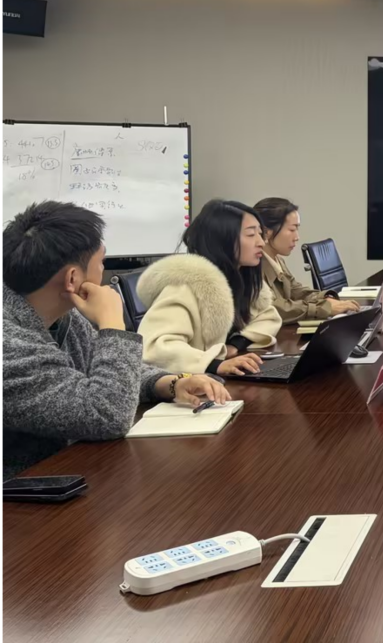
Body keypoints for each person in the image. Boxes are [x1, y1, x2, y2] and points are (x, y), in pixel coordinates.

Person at [3, 201, 231, 479]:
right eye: (101, 262)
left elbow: (108, 372)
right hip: (21, 493)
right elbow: (107, 414)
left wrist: (170, 383)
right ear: (73, 278)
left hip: (64, 472)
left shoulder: (61, 316)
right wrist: (112, 321)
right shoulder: (8, 345)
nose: (102, 270)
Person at [138, 199, 281, 375]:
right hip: (187, 385)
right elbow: (154, 348)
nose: (261, 242)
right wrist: (213, 364)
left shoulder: (239, 280)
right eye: (251, 235)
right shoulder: (184, 286)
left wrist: (237, 343)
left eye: (260, 234)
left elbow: (267, 316)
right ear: (222, 240)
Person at [252, 197, 358, 323]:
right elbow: (273, 307)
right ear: (266, 232)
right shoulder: (252, 265)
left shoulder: (277, 259)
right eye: (292, 229)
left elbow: (296, 291)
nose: (297, 237)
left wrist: (325, 299)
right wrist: (321, 308)